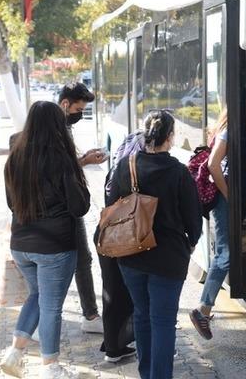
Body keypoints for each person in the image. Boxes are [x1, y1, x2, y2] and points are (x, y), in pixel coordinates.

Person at [108, 110, 202, 379]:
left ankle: (146, 372)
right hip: (168, 258)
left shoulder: (126, 165)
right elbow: (193, 219)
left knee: (142, 315)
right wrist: (190, 245)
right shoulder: (179, 172)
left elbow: (111, 207)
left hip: (131, 254)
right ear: (170, 137)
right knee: (163, 322)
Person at [1, 101, 90, 379]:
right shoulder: (61, 159)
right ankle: (51, 368)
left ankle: (14, 354)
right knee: (51, 307)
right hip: (55, 247)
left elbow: (10, 203)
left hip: (21, 245)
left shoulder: (14, 157)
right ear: (56, 125)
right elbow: (80, 206)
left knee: (37, 296)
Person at [58, 82, 105, 334]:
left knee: (81, 259)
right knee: (78, 260)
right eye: (78, 108)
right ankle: (90, 315)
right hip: (64, 205)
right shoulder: (55, 128)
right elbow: (58, 169)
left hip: (68, 203)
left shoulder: (63, 125)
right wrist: (84, 161)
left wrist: (83, 159)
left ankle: (90, 314)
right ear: (65, 104)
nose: (79, 114)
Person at [94, 131, 144, 363]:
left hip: (107, 235)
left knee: (111, 292)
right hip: (124, 238)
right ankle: (120, 345)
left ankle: (113, 345)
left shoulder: (115, 168)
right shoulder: (134, 171)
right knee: (127, 294)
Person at [189, 109, 229, 340]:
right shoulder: (231, 131)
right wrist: (229, 195)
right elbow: (214, 165)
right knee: (226, 254)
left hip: (229, 195)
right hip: (224, 198)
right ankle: (202, 310)